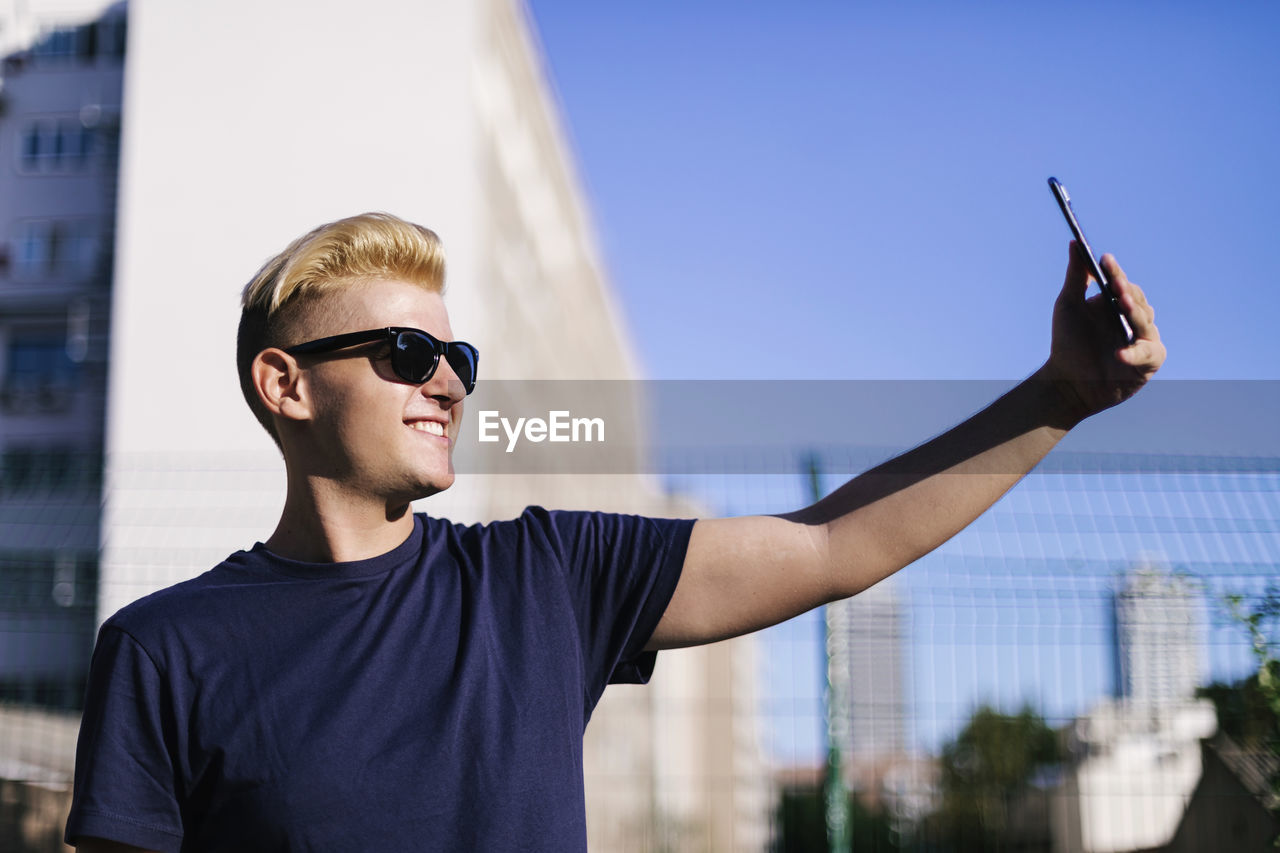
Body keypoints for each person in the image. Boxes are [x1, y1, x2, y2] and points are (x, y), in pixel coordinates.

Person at [65, 212, 1165, 851]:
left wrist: (1057, 394)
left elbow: (835, 545)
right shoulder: (166, 648)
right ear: (283, 384)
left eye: (460, 361)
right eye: (406, 353)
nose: (447, 381)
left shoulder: (547, 578)